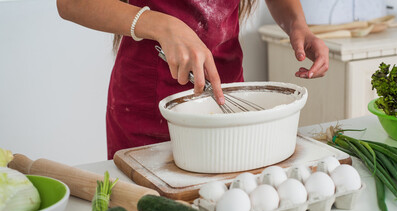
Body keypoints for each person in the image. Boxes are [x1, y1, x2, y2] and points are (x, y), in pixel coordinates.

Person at [56, 0, 329, 159]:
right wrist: (163, 25)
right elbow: (71, 3)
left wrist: (296, 24)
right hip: (145, 105)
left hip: (228, 94)